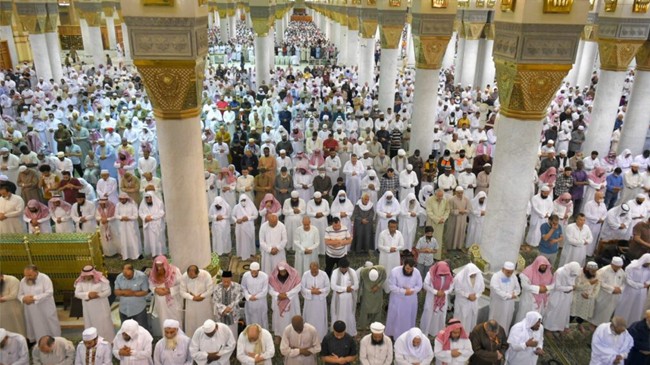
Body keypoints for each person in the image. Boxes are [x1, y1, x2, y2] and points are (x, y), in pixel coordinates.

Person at [17, 265, 60, 342]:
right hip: (31, 310)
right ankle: (39, 342)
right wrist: (23, 299)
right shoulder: (23, 281)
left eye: (30, 275)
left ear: (36, 272)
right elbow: (19, 294)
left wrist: (34, 298)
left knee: (50, 325)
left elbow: (49, 292)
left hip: (45, 308)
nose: (27, 277)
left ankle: (55, 340)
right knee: (36, 326)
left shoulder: (45, 278)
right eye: (26, 275)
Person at [73, 265, 115, 342]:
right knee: (90, 324)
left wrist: (97, 295)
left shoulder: (101, 280)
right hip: (88, 309)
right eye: (85, 276)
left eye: (89, 275)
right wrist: (88, 295)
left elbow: (108, 292)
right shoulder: (81, 282)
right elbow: (77, 293)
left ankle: (108, 341)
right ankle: (92, 341)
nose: (87, 277)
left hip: (101, 308)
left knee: (104, 325)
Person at [385, 258, 422, 339]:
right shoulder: (395, 271)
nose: (409, 270)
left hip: (411, 299)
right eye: (407, 268)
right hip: (397, 299)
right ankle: (394, 334)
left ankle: (408, 335)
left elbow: (419, 286)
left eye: (411, 269)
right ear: (403, 265)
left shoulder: (416, 272)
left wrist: (411, 290)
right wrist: (403, 291)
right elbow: (391, 286)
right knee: (396, 317)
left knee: (409, 317)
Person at [543, 261, 582, 332]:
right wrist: (570, 288)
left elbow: (573, 282)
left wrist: (572, 288)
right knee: (553, 312)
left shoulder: (574, 272)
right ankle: (548, 328)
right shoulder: (560, 272)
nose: (573, 275)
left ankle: (558, 327)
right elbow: (557, 286)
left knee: (563, 312)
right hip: (557, 295)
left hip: (567, 296)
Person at [614, 254, 650, 326]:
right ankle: (619, 323)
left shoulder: (649, 269)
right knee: (625, 308)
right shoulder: (631, 267)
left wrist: (647, 283)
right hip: (630, 291)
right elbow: (628, 281)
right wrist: (641, 285)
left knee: (637, 309)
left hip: (642, 293)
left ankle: (631, 325)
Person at [420, 261, 454, 337]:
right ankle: (426, 332)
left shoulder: (448, 275)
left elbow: (451, 287)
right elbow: (425, 285)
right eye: (441, 274)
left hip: (443, 299)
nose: (443, 275)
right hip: (431, 298)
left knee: (440, 315)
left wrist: (444, 293)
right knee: (429, 314)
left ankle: (438, 332)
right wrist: (435, 292)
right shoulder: (430, 274)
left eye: (444, 274)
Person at [149, 256, 183, 332]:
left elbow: (181, 285)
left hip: (173, 302)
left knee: (175, 320)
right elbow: (151, 285)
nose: (159, 268)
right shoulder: (153, 272)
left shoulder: (174, 271)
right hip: (161, 303)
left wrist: (169, 290)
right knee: (164, 321)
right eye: (157, 266)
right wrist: (156, 289)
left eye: (161, 265)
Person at [589, 256, 626, 325]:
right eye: (617, 267)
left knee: (608, 312)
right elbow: (599, 282)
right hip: (603, 295)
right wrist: (612, 289)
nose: (618, 268)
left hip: (614, 297)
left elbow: (624, 282)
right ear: (612, 264)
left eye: (620, 267)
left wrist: (620, 289)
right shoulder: (603, 270)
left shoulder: (621, 271)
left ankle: (603, 324)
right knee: (598, 311)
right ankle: (593, 324)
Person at [516, 256, 554, 322]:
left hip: (542, 300)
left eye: (545, 265)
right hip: (529, 299)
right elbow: (525, 286)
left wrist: (546, 288)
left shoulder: (548, 272)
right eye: (542, 265)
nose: (544, 267)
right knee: (524, 317)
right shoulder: (528, 272)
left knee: (536, 319)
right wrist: (538, 289)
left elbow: (552, 285)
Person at [268, 262, 302, 337]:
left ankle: (292, 334)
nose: (282, 273)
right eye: (280, 271)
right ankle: (279, 334)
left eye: (284, 271)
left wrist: (287, 295)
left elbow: (298, 286)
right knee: (279, 321)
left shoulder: (294, 274)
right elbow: (270, 289)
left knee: (291, 318)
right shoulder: (273, 277)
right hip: (278, 300)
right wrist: (278, 295)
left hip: (291, 301)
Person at [180, 265, 214, 337]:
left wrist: (201, 296)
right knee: (191, 324)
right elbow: (182, 292)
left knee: (204, 322)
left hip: (204, 303)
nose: (191, 278)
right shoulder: (185, 276)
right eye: (190, 276)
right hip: (191, 304)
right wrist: (192, 297)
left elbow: (210, 290)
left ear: (198, 273)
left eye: (193, 276)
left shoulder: (206, 275)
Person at [114, 263, 150, 330]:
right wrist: (125, 292)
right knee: (126, 331)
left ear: (133, 270)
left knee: (141, 330)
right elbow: (116, 292)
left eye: (129, 275)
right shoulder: (119, 277)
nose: (127, 277)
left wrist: (132, 293)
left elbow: (145, 292)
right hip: (123, 310)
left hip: (138, 310)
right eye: (125, 275)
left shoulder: (142, 276)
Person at [300, 261, 330, 341]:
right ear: (310, 268)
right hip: (309, 301)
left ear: (318, 268)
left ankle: (321, 337)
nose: (314, 272)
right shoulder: (305, 275)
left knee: (320, 318)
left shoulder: (324, 274)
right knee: (309, 318)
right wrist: (311, 292)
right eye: (312, 271)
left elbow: (327, 287)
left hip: (320, 301)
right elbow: (302, 288)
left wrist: (319, 291)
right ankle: (308, 336)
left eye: (316, 270)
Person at [489, 261, 521, 335]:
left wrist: (515, 293)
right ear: (503, 269)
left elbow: (518, 289)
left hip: (509, 304)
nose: (509, 274)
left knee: (507, 320)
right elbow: (496, 289)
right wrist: (509, 296)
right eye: (508, 272)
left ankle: (503, 335)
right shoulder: (496, 276)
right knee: (496, 320)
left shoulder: (513, 276)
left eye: (511, 272)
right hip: (498, 304)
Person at [330, 257, 358, 336]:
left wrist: (341, 290)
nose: (344, 270)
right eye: (342, 268)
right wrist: (346, 289)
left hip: (349, 299)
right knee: (338, 315)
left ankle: (349, 332)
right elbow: (333, 286)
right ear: (339, 267)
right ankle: (337, 330)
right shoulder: (335, 272)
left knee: (349, 314)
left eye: (346, 268)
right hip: (338, 298)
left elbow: (356, 285)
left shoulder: (352, 272)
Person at [453, 263, 485, 332]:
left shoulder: (479, 276)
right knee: (462, 320)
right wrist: (467, 295)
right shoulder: (459, 277)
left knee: (471, 320)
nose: (474, 275)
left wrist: (476, 296)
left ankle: (469, 334)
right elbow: (457, 290)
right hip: (463, 303)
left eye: (474, 274)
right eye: (472, 274)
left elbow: (482, 289)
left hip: (473, 302)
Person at [212, 270, 242, 337]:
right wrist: (224, 309)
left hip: (233, 313)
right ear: (222, 279)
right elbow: (215, 300)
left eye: (227, 281)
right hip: (220, 314)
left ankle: (233, 347)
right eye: (224, 281)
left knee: (232, 333)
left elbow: (238, 298)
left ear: (231, 279)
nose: (225, 283)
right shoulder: (217, 287)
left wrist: (229, 307)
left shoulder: (237, 287)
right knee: (221, 332)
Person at [357, 265, 387, 330]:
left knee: (377, 308)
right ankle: (363, 326)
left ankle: (376, 325)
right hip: (367, 293)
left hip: (378, 293)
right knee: (365, 309)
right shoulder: (363, 272)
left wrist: (378, 286)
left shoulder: (382, 269)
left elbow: (384, 278)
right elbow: (360, 283)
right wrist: (358, 296)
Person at [241, 262, 269, 329]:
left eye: (255, 272)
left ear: (259, 270)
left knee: (262, 319)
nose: (254, 273)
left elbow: (265, 291)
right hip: (249, 301)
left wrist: (256, 297)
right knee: (250, 318)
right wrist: (249, 296)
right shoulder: (246, 275)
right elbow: (243, 287)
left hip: (261, 302)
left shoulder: (264, 276)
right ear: (250, 270)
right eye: (252, 271)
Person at [139, 191, 166, 257]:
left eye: (149, 198)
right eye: (146, 198)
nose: (148, 199)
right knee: (150, 240)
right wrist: (145, 217)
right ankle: (153, 253)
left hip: (157, 225)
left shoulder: (159, 203)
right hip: (148, 226)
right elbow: (140, 212)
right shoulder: (143, 204)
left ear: (153, 197)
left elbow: (161, 213)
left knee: (158, 240)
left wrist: (152, 217)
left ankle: (159, 253)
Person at [425, 189, 450, 260]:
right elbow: (429, 212)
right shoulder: (430, 200)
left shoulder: (445, 200)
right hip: (431, 223)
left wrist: (444, 219)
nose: (440, 198)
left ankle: (436, 256)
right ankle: (428, 256)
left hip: (440, 224)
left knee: (438, 240)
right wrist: (437, 219)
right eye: (439, 196)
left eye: (441, 196)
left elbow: (447, 210)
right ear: (435, 195)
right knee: (429, 239)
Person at [232, 195, 258, 259]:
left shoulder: (251, 206)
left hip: (249, 226)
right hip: (240, 227)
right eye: (242, 200)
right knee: (240, 240)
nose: (243, 202)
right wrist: (236, 220)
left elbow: (256, 215)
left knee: (250, 240)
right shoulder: (236, 207)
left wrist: (248, 218)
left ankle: (251, 253)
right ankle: (240, 254)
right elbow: (233, 215)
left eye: (244, 200)